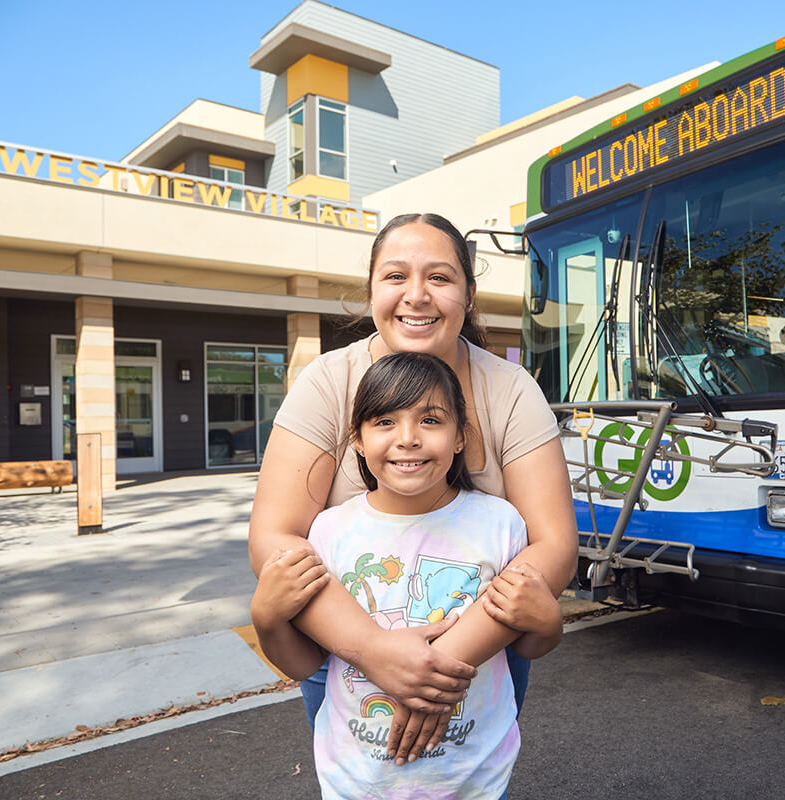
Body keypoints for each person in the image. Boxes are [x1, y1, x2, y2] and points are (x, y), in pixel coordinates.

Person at [246, 213, 577, 745]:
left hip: (477, 664)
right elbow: (274, 540)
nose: (417, 295)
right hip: (344, 658)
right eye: (396, 276)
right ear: (372, 289)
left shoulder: (511, 389)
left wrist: (439, 667)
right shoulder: (329, 381)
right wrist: (373, 651)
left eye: (440, 278)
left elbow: (553, 543)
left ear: (469, 295)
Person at [252, 352, 563, 797]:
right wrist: (266, 617)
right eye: (384, 422)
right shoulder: (330, 531)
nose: (408, 438)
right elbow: (304, 663)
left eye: (431, 420)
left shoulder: (502, 525)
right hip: (359, 781)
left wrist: (549, 622)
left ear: (461, 437)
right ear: (357, 440)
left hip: (475, 777)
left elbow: (529, 644)